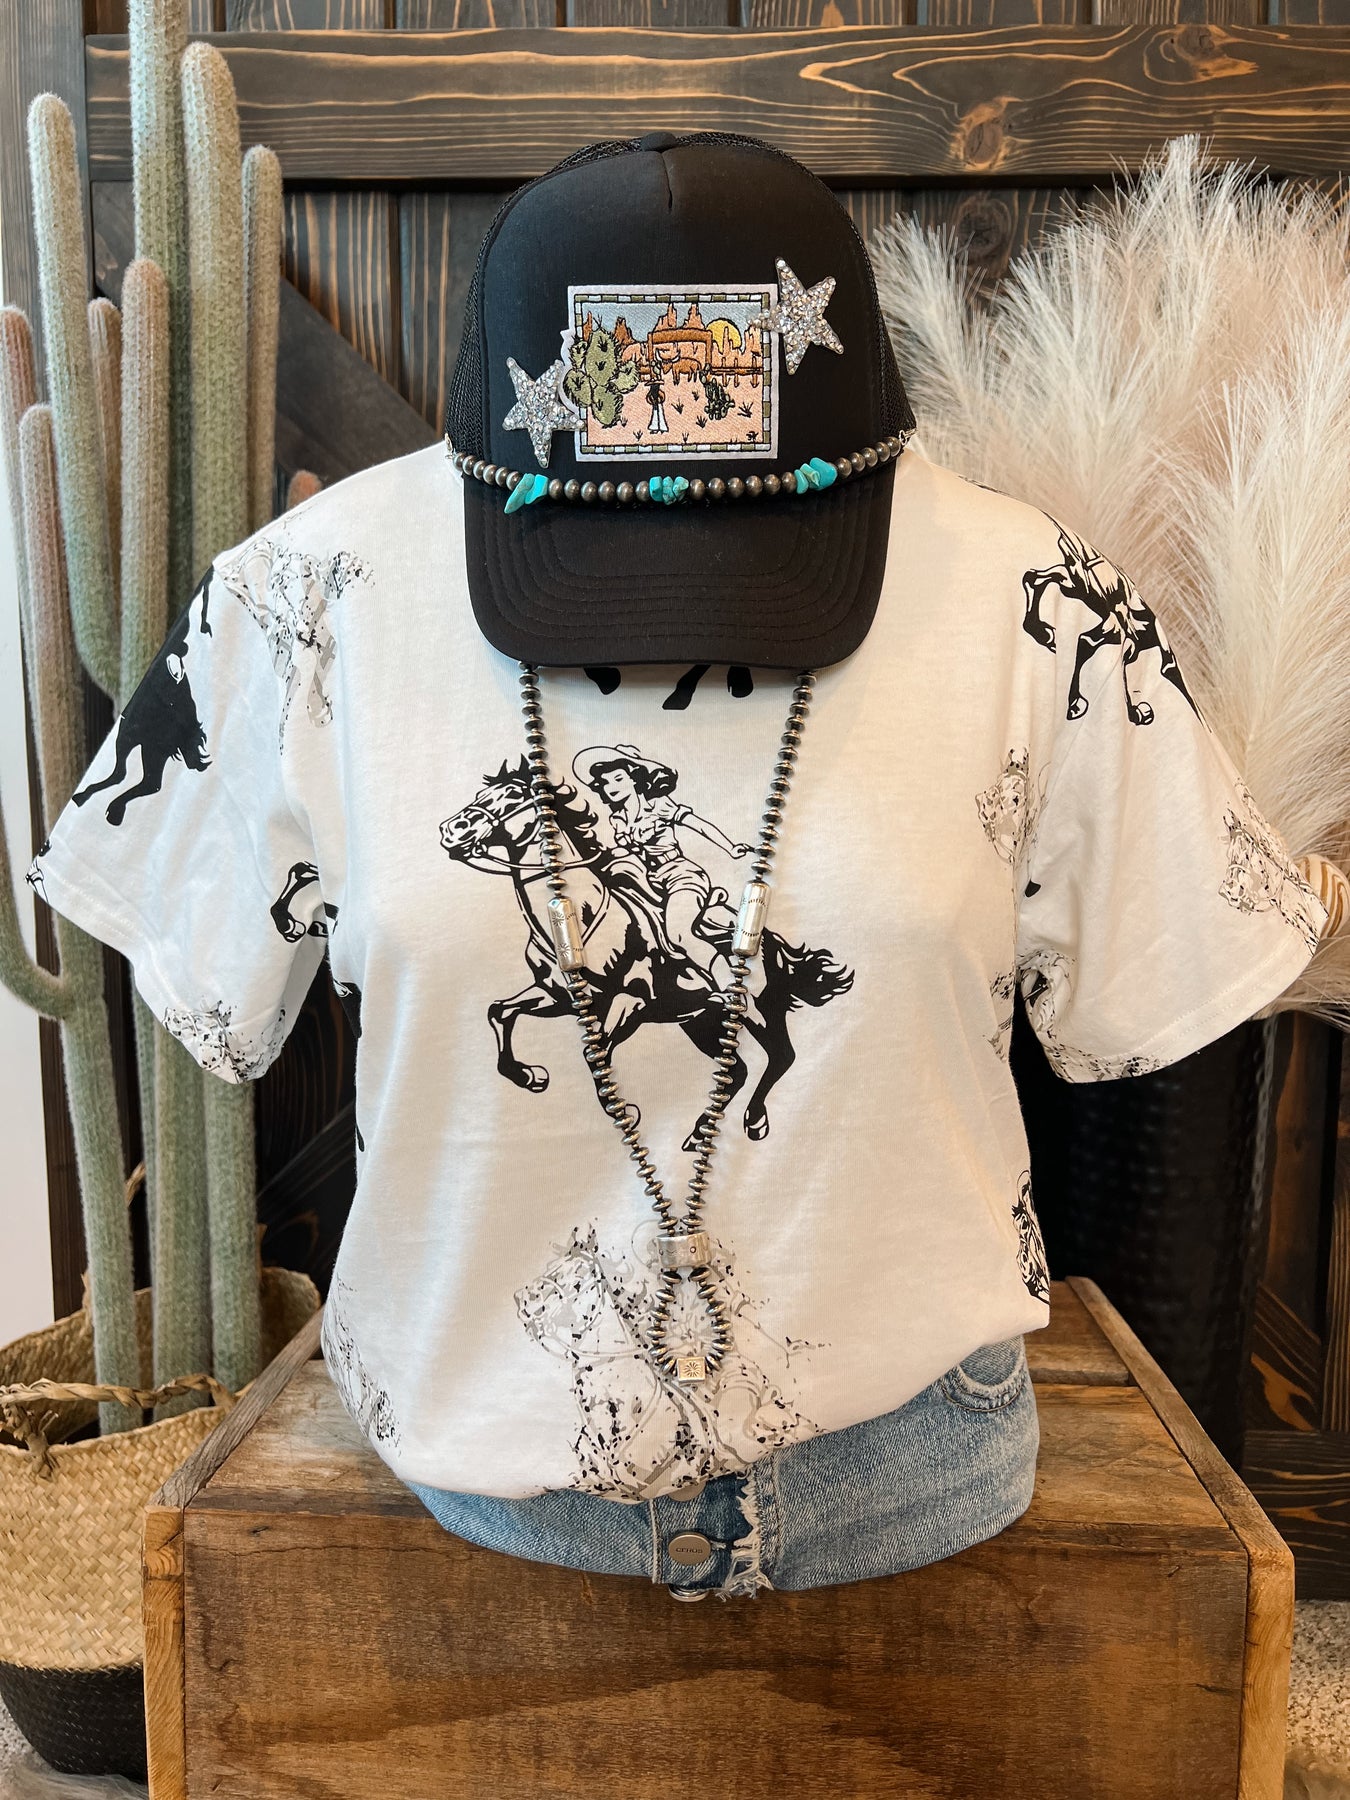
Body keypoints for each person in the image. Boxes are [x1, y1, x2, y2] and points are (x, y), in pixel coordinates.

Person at [27, 131, 1328, 1603]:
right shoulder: (297, 604)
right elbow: (215, 992)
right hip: (469, 1484)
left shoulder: (1045, 605)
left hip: (916, 1476)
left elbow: (1146, 1005)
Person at [572, 742, 748, 993]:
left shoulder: (658, 804)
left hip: (680, 874)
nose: (611, 787)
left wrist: (730, 847)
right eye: (605, 783)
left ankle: (726, 987)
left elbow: (698, 825)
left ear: (634, 778)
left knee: (679, 935)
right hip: (647, 880)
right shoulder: (616, 818)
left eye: (618, 778)